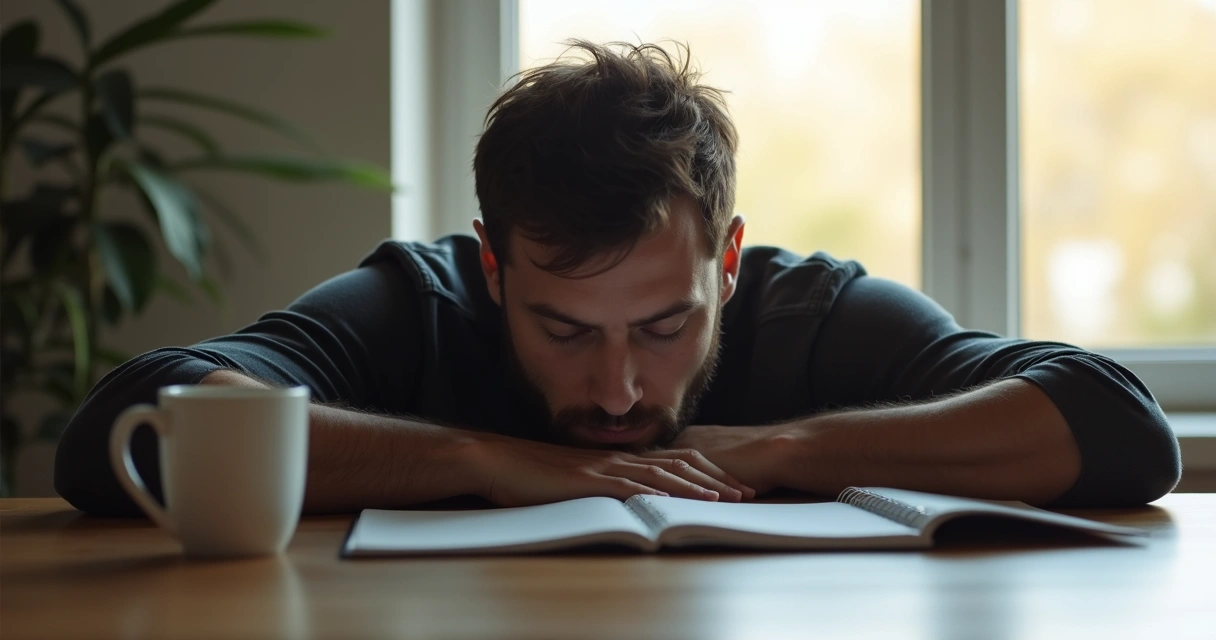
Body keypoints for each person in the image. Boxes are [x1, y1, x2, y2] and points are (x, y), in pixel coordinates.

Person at [55, 41, 1180, 516]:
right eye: (562, 328)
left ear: (726, 264)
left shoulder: (814, 315)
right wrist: (480, 458)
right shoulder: (423, 304)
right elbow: (129, 424)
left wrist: (787, 446)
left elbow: (1117, 428)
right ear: (493, 269)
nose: (620, 391)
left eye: (661, 325)